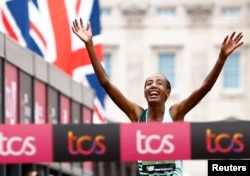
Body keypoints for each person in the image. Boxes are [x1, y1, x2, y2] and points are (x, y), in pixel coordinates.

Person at [71, 18, 244, 176]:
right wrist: (90, 45)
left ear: (167, 92)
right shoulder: (137, 116)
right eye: (148, 83)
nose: (153, 85)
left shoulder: (175, 114)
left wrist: (222, 58)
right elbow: (106, 83)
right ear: (145, 93)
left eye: (159, 83)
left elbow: (204, 88)